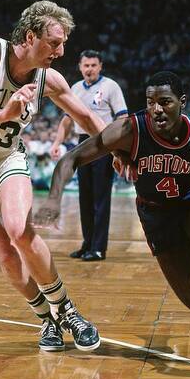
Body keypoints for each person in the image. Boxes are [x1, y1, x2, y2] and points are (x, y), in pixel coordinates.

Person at [34, 71, 190, 373]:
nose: (156, 109)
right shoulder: (131, 130)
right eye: (150, 102)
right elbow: (71, 159)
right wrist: (53, 198)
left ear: (181, 103)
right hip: (155, 213)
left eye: (165, 102)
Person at [0, 0, 106, 352]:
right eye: (54, 43)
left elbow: (88, 120)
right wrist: (4, 112)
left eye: (63, 44)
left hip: (5, 159)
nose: (60, 52)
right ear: (30, 37)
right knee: (3, 253)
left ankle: (68, 311)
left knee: (20, 230)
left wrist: (123, 150)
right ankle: (47, 319)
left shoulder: (49, 78)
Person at [51, 50, 128, 261]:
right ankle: (87, 244)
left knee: (101, 199)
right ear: (80, 66)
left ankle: (98, 248)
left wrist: (117, 148)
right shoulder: (74, 88)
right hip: (81, 144)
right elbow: (67, 120)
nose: (89, 69)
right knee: (85, 197)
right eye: (86, 65)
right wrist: (57, 143)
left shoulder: (111, 86)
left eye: (93, 65)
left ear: (100, 66)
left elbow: (122, 118)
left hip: (103, 143)